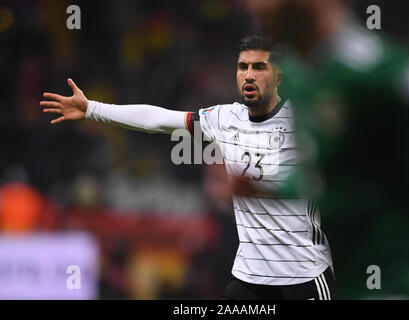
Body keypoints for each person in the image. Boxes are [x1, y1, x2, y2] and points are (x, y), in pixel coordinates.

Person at [41, 35, 335, 300]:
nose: (248, 75)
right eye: (242, 67)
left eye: (259, 67)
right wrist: (93, 109)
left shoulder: (305, 121)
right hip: (250, 276)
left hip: (302, 274)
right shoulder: (224, 118)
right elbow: (158, 120)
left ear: (279, 76)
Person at [245, 0, 409, 299]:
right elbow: (332, 186)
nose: (251, 6)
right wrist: (266, 189)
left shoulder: (378, 70)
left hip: (401, 287)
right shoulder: (290, 75)